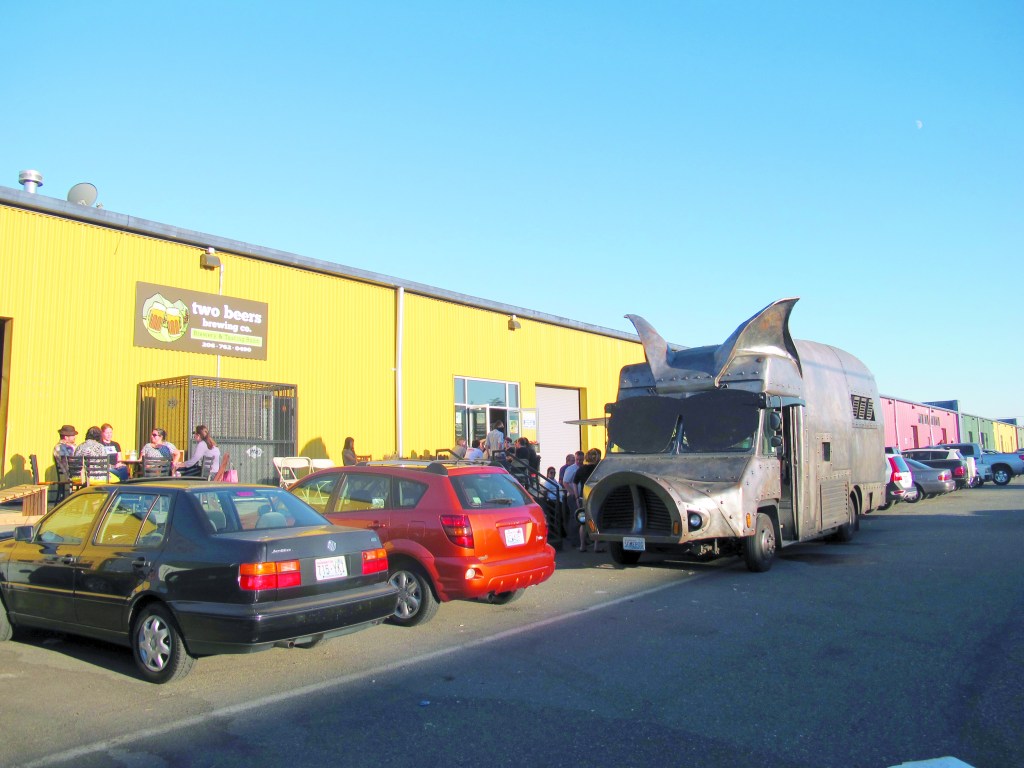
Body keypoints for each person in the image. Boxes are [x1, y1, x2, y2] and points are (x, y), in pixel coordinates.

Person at [574, 448, 603, 552]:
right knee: (596, 520)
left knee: (583, 522)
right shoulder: (599, 469)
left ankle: (582, 546)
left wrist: (577, 497)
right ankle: (596, 546)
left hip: (583, 497)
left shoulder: (581, 469)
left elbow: (574, 482)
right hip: (596, 496)